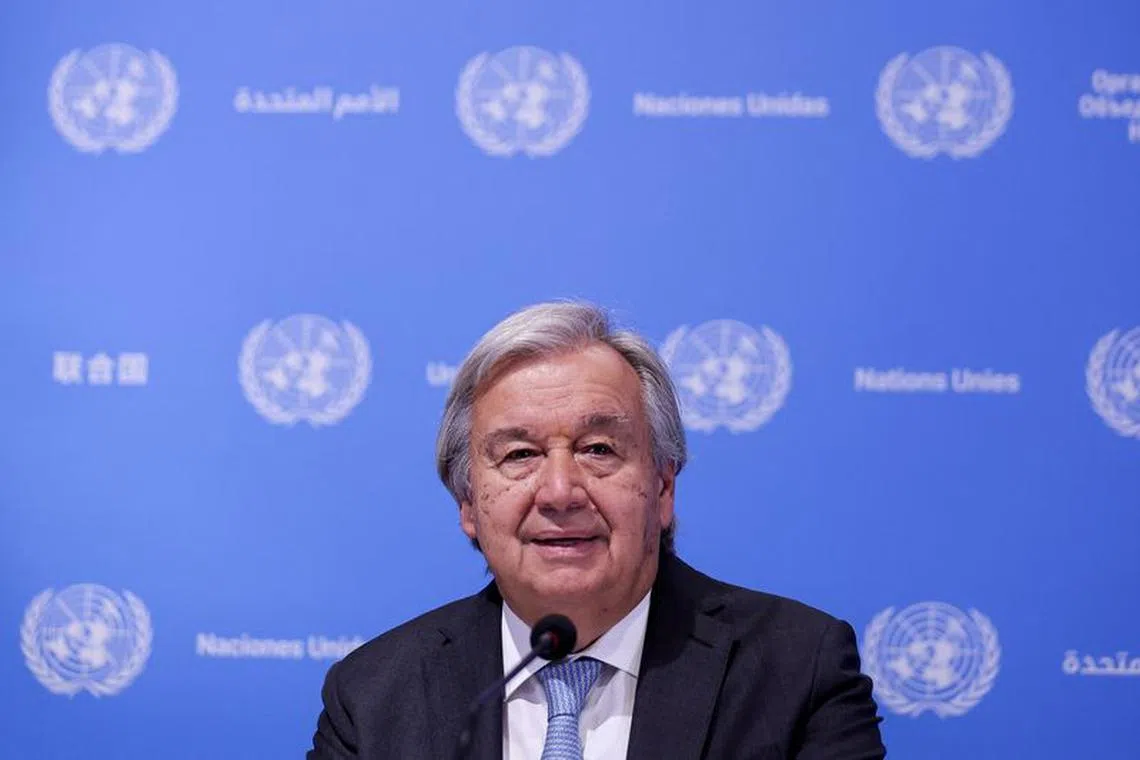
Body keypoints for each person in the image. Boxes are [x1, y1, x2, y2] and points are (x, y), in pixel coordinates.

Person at [307, 301, 885, 760]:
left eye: (599, 449)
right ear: (467, 504)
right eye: (520, 455)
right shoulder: (374, 695)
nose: (561, 492)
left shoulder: (796, 670)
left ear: (662, 488)